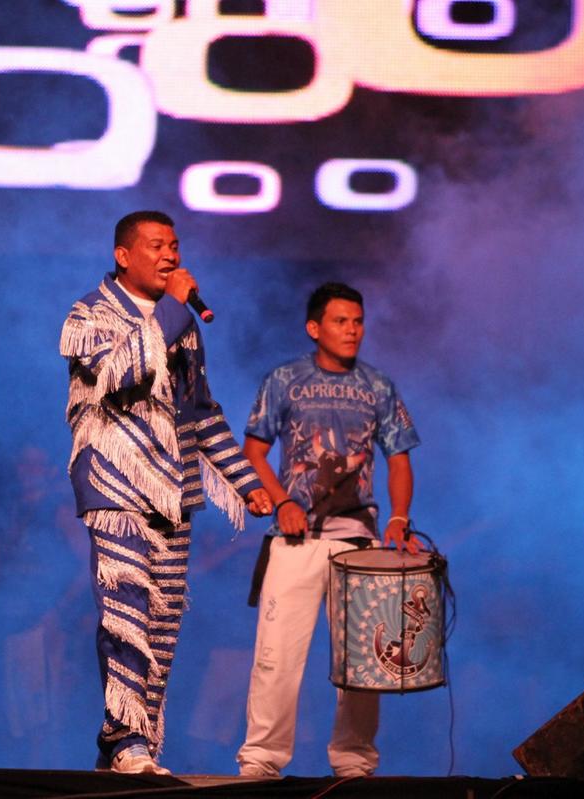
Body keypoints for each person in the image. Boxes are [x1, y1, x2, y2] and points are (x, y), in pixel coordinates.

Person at [60, 210, 271, 775]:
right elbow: (120, 372)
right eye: (156, 245)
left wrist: (246, 482)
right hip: (113, 482)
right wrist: (177, 310)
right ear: (123, 255)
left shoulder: (183, 324)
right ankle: (126, 739)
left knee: (162, 619)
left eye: (174, 244)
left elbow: (200, 412)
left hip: (174, 491)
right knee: (124, 610)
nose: (170, 255)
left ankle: (132, 744)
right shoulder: (90, 315)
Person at [235, 282, 420, 779]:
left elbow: (399, 459)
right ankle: (260, 762)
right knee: (276, 658)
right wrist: (282, 502)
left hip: (359, 541)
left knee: (364, 663)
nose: (352, 330)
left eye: (358, 321)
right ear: (314, 328)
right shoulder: (284, 380)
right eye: (341, 321)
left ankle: (354, 763)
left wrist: (399, 518)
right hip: (295, 541)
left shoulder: (377, 385)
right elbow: (253, 454)